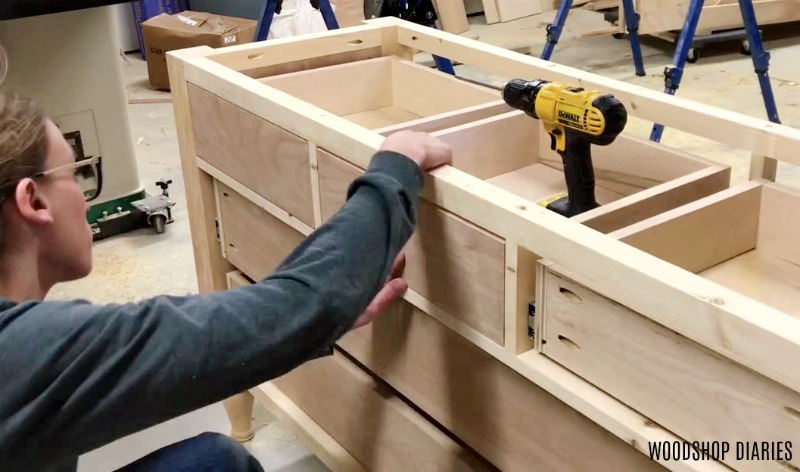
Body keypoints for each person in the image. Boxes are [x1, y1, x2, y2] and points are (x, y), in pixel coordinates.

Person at [0, 92, 453, 471]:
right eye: (76, 174)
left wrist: (314, 319)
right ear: (33, 200)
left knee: (216, 462)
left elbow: (287, 315)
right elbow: (290, 307)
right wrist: (397, 164)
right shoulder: (26, 353)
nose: (83, 195)